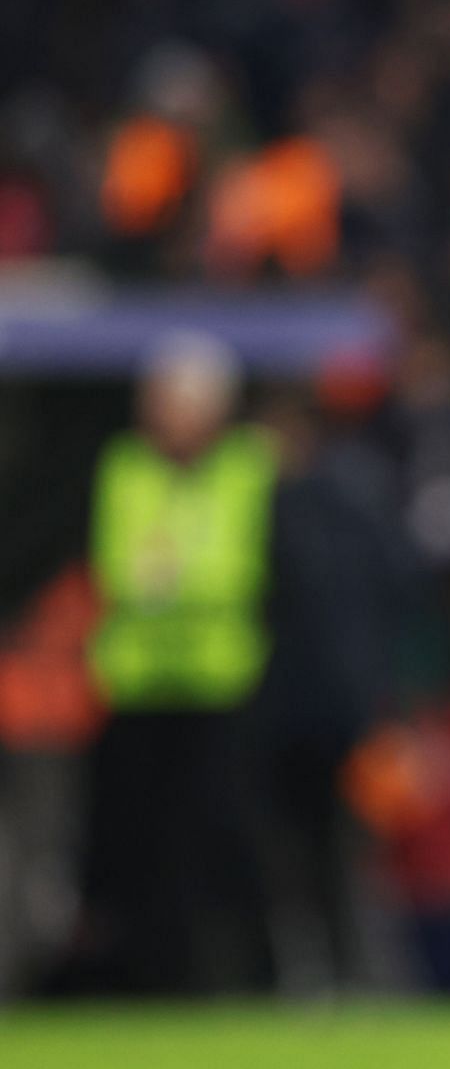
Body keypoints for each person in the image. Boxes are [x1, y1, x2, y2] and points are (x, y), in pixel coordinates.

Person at [84, 332, 278, 991]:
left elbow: (233, 573)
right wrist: (174, 583)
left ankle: (243, 980)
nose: (162, 412)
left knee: (226, 845)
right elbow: (119, 570)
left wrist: (169, 582)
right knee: (137, 849)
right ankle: (149, 981)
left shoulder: (247, 465)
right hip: (137, 685)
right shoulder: (125, 465)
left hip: (220, 684)